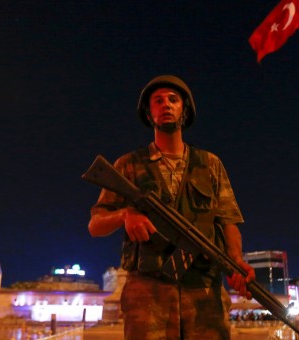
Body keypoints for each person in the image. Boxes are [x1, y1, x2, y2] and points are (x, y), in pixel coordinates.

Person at [88, 75, 255, 339]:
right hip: (147, 294)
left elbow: (228, 220)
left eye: (173, 100)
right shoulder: (128, 165)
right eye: (158, 101)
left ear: (184, 110)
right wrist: (125, 215)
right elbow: (95, 225)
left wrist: (235, 261)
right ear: (149, 112)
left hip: (204, 293)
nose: (166, 105)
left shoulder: (210, 164)